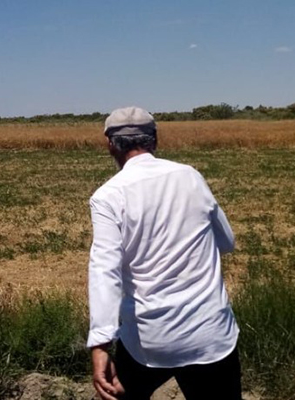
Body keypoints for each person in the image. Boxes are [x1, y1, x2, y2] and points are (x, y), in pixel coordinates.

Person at [87, 106, 241, 400]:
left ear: (109, 144)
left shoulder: (107, 196)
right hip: (210, 333)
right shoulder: (190, 176)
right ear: (155, 139)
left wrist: (100, 344)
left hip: (150, 338)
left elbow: (104, 271)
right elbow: (227, 241)